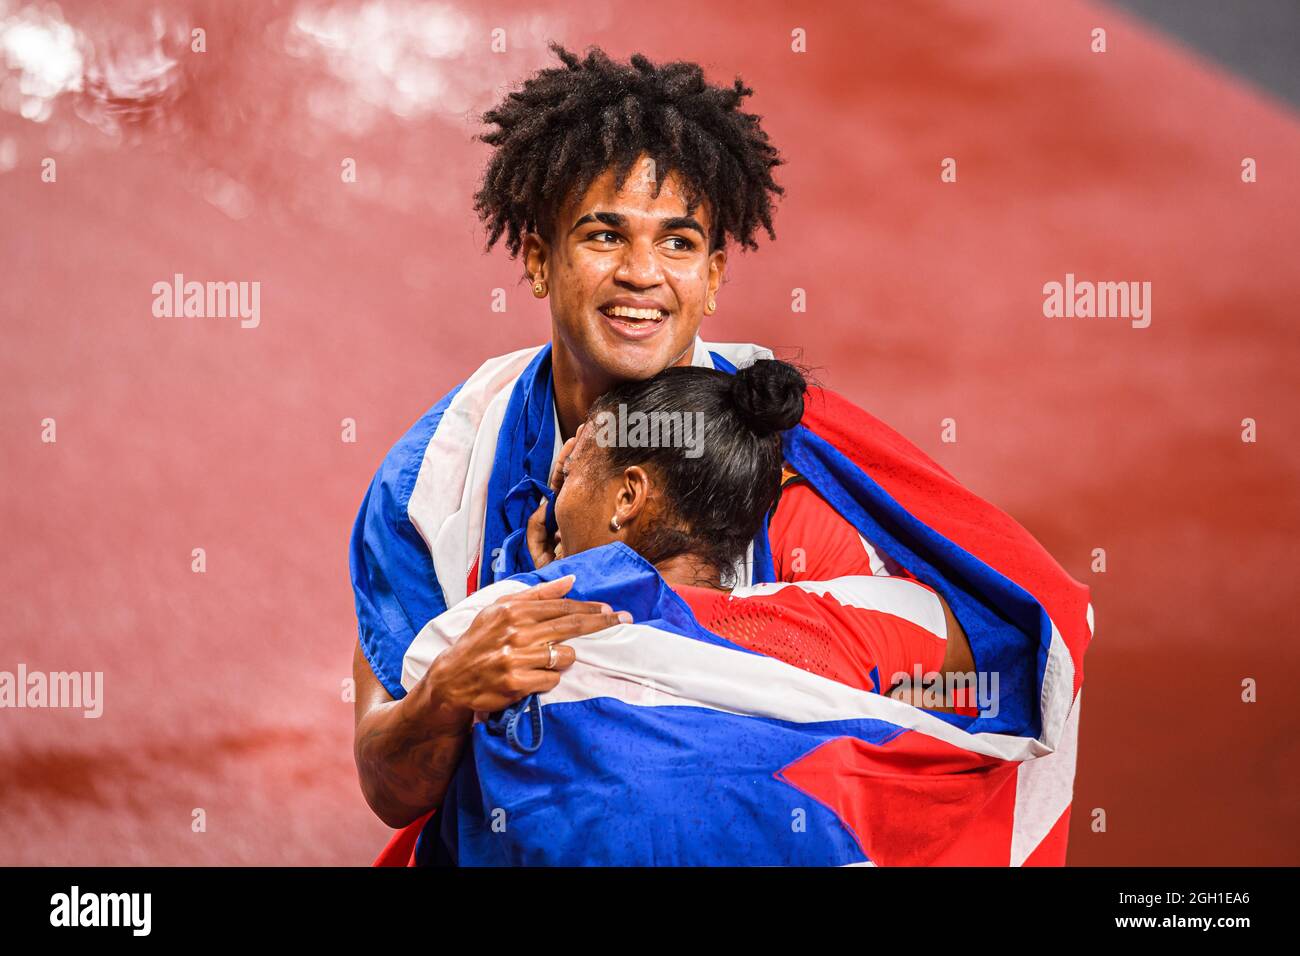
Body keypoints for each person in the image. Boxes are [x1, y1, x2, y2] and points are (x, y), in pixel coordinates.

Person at [350, 43, 1090, 866]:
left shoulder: (802, 469)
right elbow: (387, 785)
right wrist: (447, 695)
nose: (642, 275)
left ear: (713, 275)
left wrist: (707, 637)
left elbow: (971, 684)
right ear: (535, 257)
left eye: (678, 244)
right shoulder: (437, 484)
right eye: (604, 234)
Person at [524, 358, 975, 702]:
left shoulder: (546, 649)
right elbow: (970, 648)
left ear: (628, 498)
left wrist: (548, 591)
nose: (554, 494)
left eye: (573, 469)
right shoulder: (830, 623)